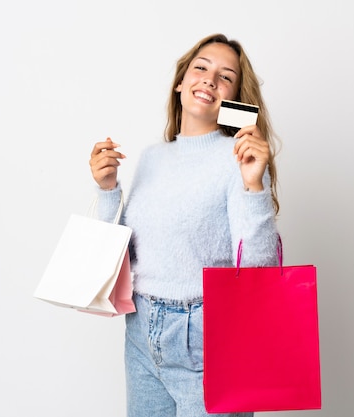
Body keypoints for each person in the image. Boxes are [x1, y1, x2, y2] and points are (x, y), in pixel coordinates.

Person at [89, 33, 280, 417]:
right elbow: (122, 258)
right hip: (142, 333)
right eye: (201, 68)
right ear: (181, 82)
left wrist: (255, 185)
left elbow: (260, 270)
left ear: (234, 98)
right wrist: (108, 189)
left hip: (210, 334)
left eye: (225, 77)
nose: (210, 80)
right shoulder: (152, 158)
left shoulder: (238, 161)